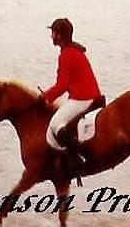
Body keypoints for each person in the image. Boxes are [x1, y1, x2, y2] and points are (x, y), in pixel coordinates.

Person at [40, 18, 102, 172]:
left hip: (83, 97)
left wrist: (45, 97)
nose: (52, 36)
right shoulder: (74, 51)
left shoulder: (66, 55)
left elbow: (62, 86)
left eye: (53, 33)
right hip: (87, 94)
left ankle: (79, 156)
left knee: (55, 124)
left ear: (58, 35)